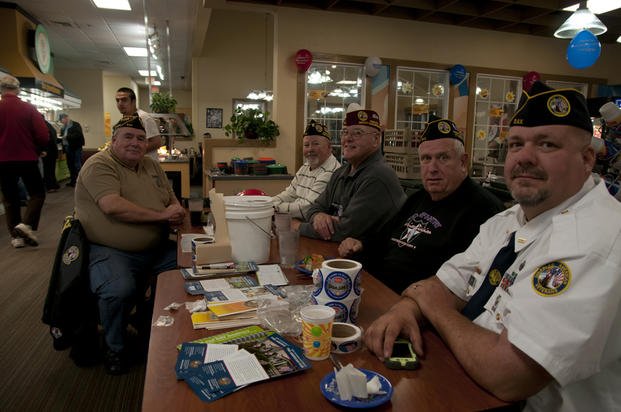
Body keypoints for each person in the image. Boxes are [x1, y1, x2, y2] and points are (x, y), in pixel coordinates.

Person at [364, 82, 621, 410]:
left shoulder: (597, 239)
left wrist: (435, 307)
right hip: (464, 381)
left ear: (586, 159)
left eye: (546, 144)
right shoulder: (508, 220)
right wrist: (406, 308)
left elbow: (509, 375)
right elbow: (443, 284)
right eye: (516, 144)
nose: (525, 157)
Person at [338, 117, 505, 293]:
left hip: (412, 304)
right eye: (426, 158)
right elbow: (384, 237)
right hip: (376, 286)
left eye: (443, 157)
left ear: (463, 162)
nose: (432, 168)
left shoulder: (484, 210)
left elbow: (464, 285)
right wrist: (359, 243)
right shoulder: (417, 198)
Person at [74, 114, 185, 375]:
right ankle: (116, 346)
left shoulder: (150, 165)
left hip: (156, 247)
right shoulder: (99, 165)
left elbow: (171, 199)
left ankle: (146, 317)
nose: (135, 143)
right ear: (113, 140)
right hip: (111, 249)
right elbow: (113, 207)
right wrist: (162, 216)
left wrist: (177, 211)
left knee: (189, 269)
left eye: (141, 138)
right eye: (128, 137)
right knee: (119, 290)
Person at [294, 109, 406, 241]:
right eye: (345, 132)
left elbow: (346, 230)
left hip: (371, 259)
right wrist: (318, 216)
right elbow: (314, 208)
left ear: (376, 139)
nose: (347, 138)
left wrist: (297, 226)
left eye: (357, 133)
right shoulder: (341, 172)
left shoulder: (378, 176)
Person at [0, 74, 48, 248]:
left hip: (3, 160)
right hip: (27, 158)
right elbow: (43, 135)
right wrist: (38, 147)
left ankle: (17, 238)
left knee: (10, 198)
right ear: (18, 89)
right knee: (37, 194)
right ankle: (26, 225)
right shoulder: (28, 108)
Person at [272, 120, 340, 219]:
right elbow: (290, 194)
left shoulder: (331, 171)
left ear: (330, 147)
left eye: (316, 144)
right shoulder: (306, 166)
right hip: (295, 219)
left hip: (310, 226)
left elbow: (306, 208)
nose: (310, 149)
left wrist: (274, 207)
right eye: (306, 145)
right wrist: (268, 203)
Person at [115, 87, 162, 159]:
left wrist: (132, 151)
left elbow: (156, 142)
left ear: (133, 101)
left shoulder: (144, 118)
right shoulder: (125, 120)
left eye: (124, 100)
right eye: (117, 100)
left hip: (145, 165)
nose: (120, 103)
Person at [59, 113, 85, 187]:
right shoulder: (63, 127)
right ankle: (73, 181)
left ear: (66, 118)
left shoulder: (75, 125)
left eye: (62, 120)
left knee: (77, 164)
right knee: (70, 165)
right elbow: (62, 137)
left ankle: (81, 182)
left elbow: (78, 134)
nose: (61, 122)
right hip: (68, 148)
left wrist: (66, 137)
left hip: (76, 147)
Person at [41, 117, 60, 192]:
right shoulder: (49, 125)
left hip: (48, 152)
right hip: (53, 151)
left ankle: (50, 187)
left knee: (47, 170)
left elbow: (45, 139)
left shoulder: (43, 126)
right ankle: (54, 185)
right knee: (51, 170)